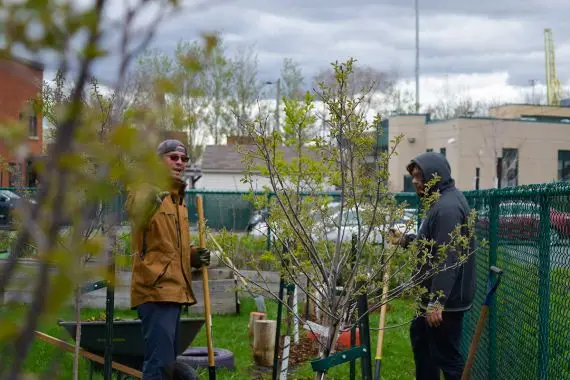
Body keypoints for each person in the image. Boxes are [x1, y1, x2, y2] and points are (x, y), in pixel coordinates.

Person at [126, 139, 211, 379]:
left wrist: (194, 256)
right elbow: (135, 208)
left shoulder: (178, 200)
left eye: (184, 159)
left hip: (175, 290)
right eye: (173, 157)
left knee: (169, 365)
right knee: (160, 364)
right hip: (155, 290)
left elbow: (174, 245)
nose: (180, 163)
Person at [389, 151, 476, 380]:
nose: (415, 181)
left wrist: (436, 302)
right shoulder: (442, 201)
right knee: (423, 344)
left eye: (420, 176)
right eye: (414, 176)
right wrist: (406, 240)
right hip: (434, 298)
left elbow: (448, 257)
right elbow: (435, 244)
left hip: (443, 303)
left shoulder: (447, 208)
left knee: (446, 358)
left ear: (436, 176)